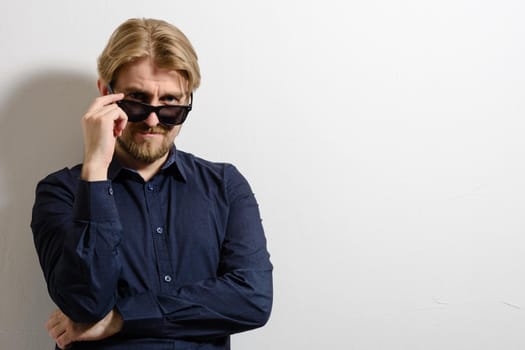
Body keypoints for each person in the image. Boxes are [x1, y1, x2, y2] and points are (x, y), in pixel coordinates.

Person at [31, 18, 273, 350]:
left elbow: (252, 298)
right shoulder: (63, 191)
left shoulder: (225, 186)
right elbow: (85, 306)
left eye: (171, 104)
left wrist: (120, 318)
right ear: (106, 94)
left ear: (187, 100)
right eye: (137, 100)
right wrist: (96, 168)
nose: (153, 120)